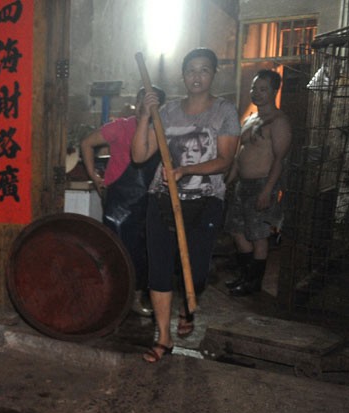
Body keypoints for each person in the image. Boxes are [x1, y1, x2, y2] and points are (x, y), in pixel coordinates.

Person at [131, 48, 240, 363]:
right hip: (162, 199)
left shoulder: (224, 112)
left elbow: (224, 160)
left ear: (213, 74)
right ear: (183, 75)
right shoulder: (167, 113)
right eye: (191, 70)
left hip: (205, 201)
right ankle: (163, 338)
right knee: (160, 268)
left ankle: (188, 307)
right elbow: (139, 156)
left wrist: (185, 170)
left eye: (204, 70)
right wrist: (144, 116)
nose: (197, 76)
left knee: (197, 270)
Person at [81, 86, 166, 316]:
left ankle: (136, 299)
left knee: (144, 252)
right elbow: (87, 143)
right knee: (117, 250)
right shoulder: (121, 127)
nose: (142, 107)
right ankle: (115, 298)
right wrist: (95, 176)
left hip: (149, 200)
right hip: (118, 200)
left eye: (147, 103)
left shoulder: (161, 132)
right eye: (139, 101)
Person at [224, 69, 292, 296]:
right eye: (254, 88)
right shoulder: (250, 118)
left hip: (262, 185)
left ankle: (253, 284)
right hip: (242, 185)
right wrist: (228, 182)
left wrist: (268, 190)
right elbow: (238, 155)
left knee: (259, 236)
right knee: (236, 231)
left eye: (263, 89)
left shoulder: (279, 121)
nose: (257, 93)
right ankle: (245, 277)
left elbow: (279, 160)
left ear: (274, 91)